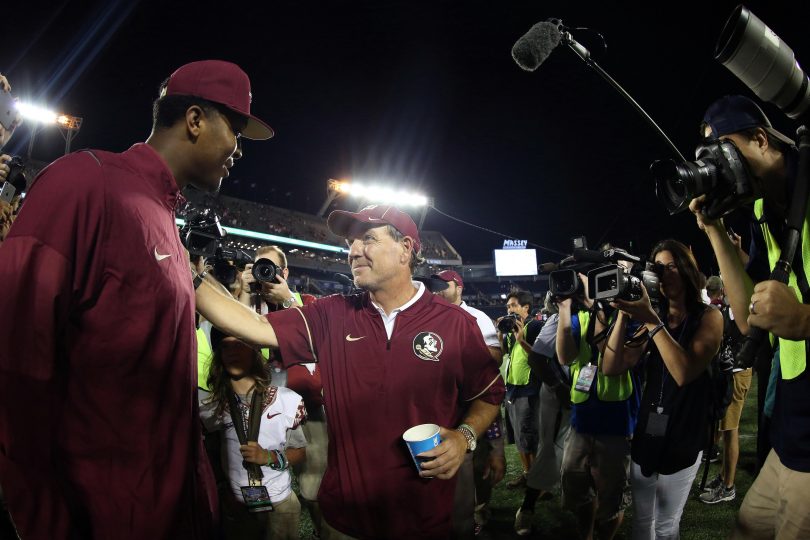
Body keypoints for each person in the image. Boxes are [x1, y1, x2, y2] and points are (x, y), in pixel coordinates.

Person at [0, 60, 273, 538]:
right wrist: (41, 514)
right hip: (97, 510)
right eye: (235, 131)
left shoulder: (164, 214)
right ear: (194, 120)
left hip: (160, 506)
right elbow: (13, 358)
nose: (239, 151)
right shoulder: (86, 182)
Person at [195, 204, 504, 539]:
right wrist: (187, 270)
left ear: (405, 249)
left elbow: (487, 396)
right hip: (345, 520)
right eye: (351, 243)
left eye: (367, 239)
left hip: (423, 518)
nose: (354, 251)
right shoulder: (333, 313)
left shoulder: (456, 324)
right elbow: (251, 326)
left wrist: (465, 437)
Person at [690, 94, 810, 539]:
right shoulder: (764, 211)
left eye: (723, 152)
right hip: (793, 430)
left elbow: (795, 317)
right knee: (747, 527)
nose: (717, 169)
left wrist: (805, 320)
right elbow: (747, 319)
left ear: (760, 139)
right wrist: (714, 231)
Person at [602, 239, 723, 539]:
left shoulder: (709, 317)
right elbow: (612, 367)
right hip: (650, 428)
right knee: (642, 523)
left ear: (686, 270)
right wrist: (622, 313)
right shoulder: (654, 317)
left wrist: (653, 322)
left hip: (685, 430)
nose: (664, 274)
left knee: (667, 525)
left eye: (671, 266)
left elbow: (683, 372)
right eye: (657, 268)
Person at [239, 244, 326, 535]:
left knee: (313, 486)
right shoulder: (247, 305)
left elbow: (321, 342)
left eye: (270, 267)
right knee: (257, 476)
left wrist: (288, 299)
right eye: (258, 267)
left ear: (284, 272)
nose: (264, 275)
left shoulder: (308, 301)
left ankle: (324, 529)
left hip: (307, 410)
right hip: (261, 409)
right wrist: (242, 292)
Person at [200, 328, 307, 540]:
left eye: (239, 344)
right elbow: (210, 457)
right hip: (236, 505)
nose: (232, 352)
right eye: (225, 346)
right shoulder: (210, 408)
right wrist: (222, 490)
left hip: (280, 503)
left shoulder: (286, 400)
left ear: (254, 351)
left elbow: (300, 451)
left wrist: (268, 457)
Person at [554, 275, 639, 540]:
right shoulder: (584, 319)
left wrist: (598, 307)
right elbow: (565, 356)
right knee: (575, 482)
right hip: (582, 421)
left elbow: (610, 363)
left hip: (616, 422)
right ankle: (586, 534)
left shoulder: (631, 319)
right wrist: (566, 310)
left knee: (611, 495)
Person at [432, 269, 505, 536]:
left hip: (473, 408)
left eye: (444, 285)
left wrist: (453, 347)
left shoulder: (477, 317)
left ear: (459, 287)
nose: (438, 289)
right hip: (441, 411)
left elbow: (494, 358)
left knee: (479, 468)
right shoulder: (428, 317)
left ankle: (480, 511)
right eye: (435, 285)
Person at [515, 293, 571, 536]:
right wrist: (560, 389)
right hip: (562, 394)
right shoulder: (558, 317)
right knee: (549, 449)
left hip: (593, 394)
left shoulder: (605, 312)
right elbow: (538, 358)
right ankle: (526, 509)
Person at [498, 290, 543, 489]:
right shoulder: (511, 328)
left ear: (526, 307)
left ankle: (538, 483)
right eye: (508, 306)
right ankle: (527, 475)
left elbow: (541, 357)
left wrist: (521, 339)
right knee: (518, 437)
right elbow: (506, 353)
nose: (509, 309)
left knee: (530, 437)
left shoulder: (535, 326)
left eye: (513, 305)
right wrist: (502, 334)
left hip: (529, 389)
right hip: (513, 388)